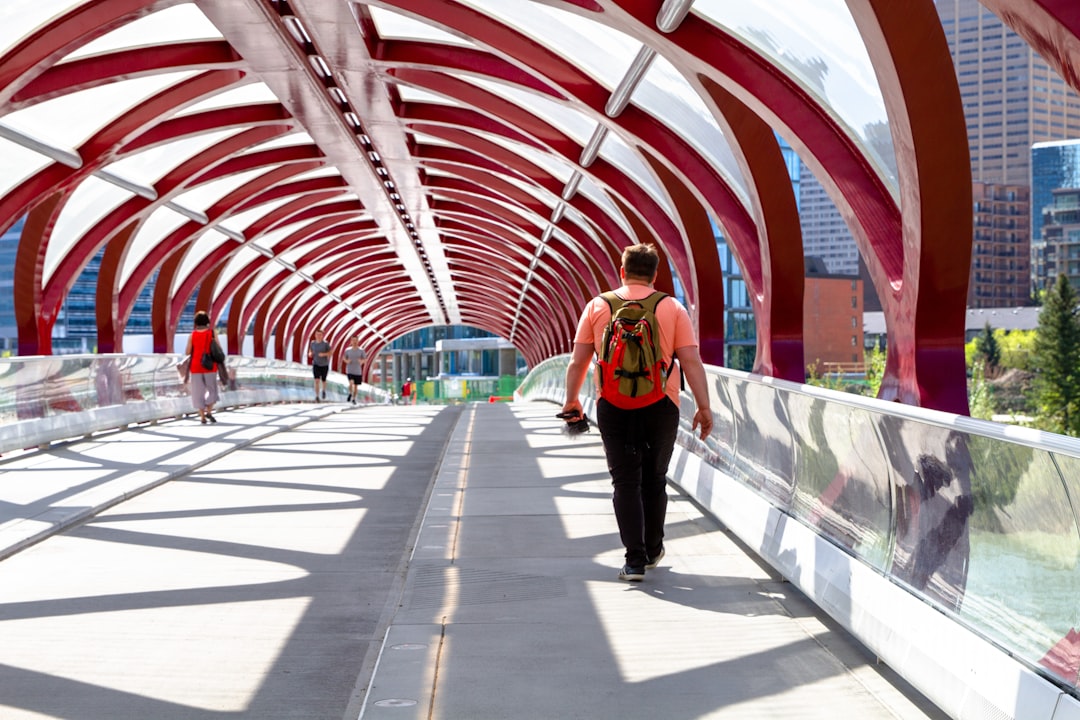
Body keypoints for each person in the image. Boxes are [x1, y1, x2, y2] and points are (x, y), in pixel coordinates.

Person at [562, 243, 713, 582]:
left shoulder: (597, 306)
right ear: (656, 274)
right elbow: (690, 360)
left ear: (622, 271)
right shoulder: (672, 307)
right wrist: (704, 407)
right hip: (662, 404)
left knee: (625, 481)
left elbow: (578, 361)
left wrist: (572, 401)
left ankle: (634, 561)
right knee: (654, 479)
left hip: (612, 405)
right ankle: (653, 546)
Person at [185, 310, 221, 424]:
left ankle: (202, 417)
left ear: (196, 322)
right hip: (210, 365)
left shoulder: (192, 335)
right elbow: (218, 348)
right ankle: (209, 411)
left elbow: (187, 352)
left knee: (198, 392)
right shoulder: (212, 333)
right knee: (212, 390)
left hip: (196, 366)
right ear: (207, 322)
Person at [308, 328, 331, 400]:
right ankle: (317, 396)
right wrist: (310, 354)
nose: (318, 336)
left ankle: (323, 391)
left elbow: (330, 352)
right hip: (316, 364)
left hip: (324, 364)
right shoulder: (312, 343)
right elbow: (310, 350)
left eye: (320, 335)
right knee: (316, 380)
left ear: (322, 336)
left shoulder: (325, 344)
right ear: (315, 335)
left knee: (323, 380)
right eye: (317, 334)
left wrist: (324, 354)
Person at [343, 335, 365, 404]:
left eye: (356, 340)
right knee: (351, 382)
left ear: (358, 341)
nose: (354, 342)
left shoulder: (361, 350)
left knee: (356, 386)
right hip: (350, 370)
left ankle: (354, 398)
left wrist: (361, 361)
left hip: (358, 371)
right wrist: (347, 361)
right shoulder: (348, 350)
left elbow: (364, 359)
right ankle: (350, 393)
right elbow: (344, 358)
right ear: (351, 341)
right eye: (353, 340)